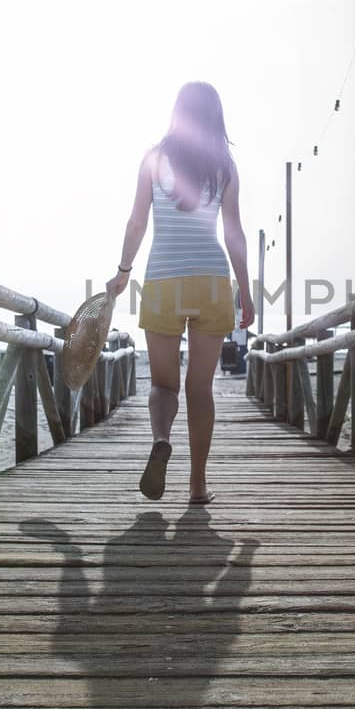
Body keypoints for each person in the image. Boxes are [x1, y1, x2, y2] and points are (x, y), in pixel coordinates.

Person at [106, 81, 254, 504]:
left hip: (163, 279)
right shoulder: (224, 166)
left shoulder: (153, 159)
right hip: (210, 279)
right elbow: (234, 233)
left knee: (164, 385)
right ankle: (198, 486)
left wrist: (122, 272)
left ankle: (161, 438)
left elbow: (137, 222)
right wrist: (245, 290)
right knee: (200, 390)